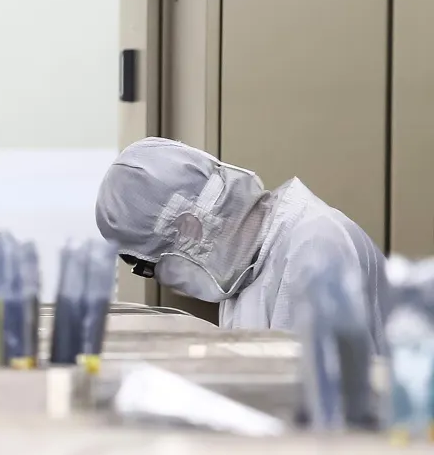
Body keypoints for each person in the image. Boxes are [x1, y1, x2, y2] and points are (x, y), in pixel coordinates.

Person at [95, 137, 385, 342]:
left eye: (150, 268)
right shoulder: (246, 271)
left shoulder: (314, 247)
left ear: (188, 229)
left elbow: (316, 397)